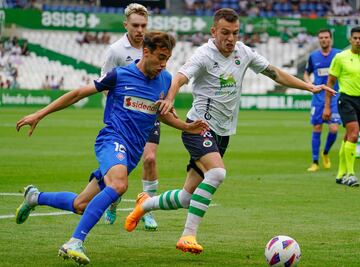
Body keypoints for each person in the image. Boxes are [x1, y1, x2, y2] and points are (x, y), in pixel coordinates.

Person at [125, 8, 336, 254]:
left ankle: (145, 204)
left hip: (223, 134)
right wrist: (170, 99)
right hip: (198, 127)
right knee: (217, 174)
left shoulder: (243, 52)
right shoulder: (203, 54)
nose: (230, 38)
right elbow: (180, 77)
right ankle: (187, 235)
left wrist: (309, 87)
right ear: (213, 31)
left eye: (235, 33)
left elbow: (275, 73)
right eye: (225, 33)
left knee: (186, 197)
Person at [15, 30, 208, 265]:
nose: (163, 64)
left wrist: (187, 128)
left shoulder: (165, 80)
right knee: (119, 184)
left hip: (132, 154)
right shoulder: (119, 75)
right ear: (145, 52)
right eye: (160, 57)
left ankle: (35, 197)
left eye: (167, 59)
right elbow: (78, 93)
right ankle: (74, 242)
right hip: (112, 140)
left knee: (80, 204)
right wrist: (40, 113)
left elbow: (162, 115)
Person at [99, 3, 161, 229]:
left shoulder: (152, 47)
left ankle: (147, 208)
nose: (140, 30)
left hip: (149, 113)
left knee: (151, 158)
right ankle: (114, 201)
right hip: (123, 119)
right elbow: (104, 83)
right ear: (126, 25)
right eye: (135, 25)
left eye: (144, 25)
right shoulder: (116, 51)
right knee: (122, 167)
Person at [322, 26, 360, 187]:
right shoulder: (340, 57)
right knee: (354, 133)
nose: (358, 41)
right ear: (350, 39)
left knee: (348, 136)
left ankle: (340, 174)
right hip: (346, 100)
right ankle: (351, 174)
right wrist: (327, 107)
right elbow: (330, 83)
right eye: (355, 38)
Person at [303, 29, 342, 172]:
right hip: (318, 98)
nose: (324, 40)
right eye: (321, 38)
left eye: (326, 37)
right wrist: (309, 84)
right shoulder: (313, 56)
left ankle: (325, 152)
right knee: (317, 127)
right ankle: (315, 162)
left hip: (334, 96)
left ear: (330, 39)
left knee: (334, 128)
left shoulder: (338, 55)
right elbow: (307, 73)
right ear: (318, 40)